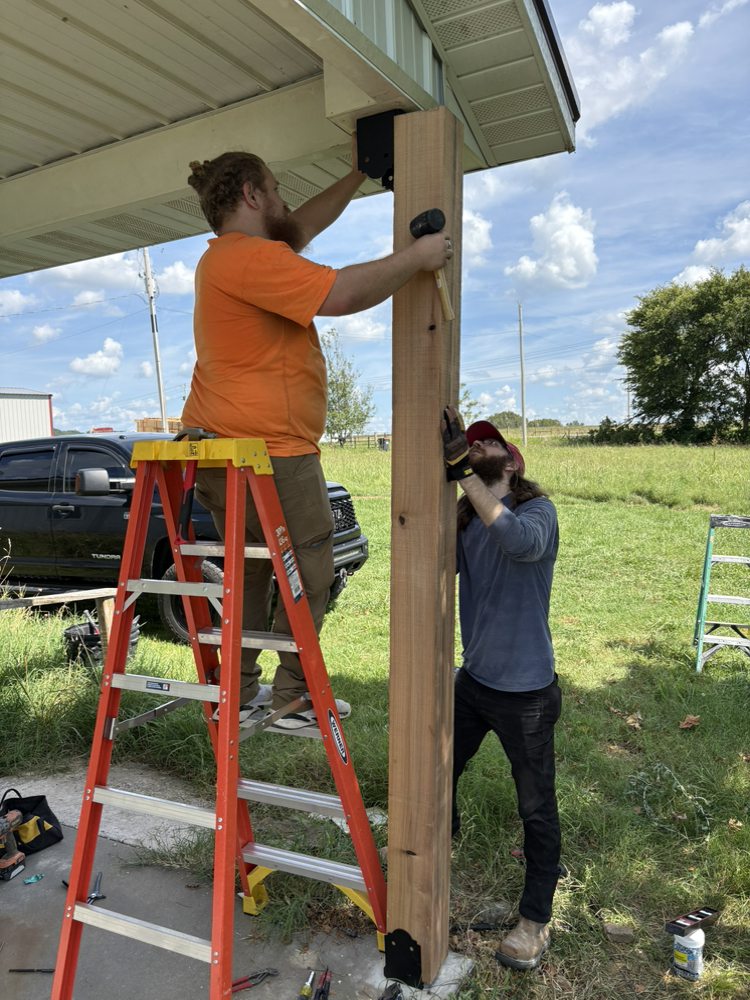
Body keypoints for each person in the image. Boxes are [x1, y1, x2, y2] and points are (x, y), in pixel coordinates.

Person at [181, 146, 452, 731]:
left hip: (221, 446)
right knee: (314, 564)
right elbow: (342, 295)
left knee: (254, 568)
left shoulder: (229, 259)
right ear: (252, 195)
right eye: (275, 189)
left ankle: (245, 688)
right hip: (267, 449)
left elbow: (302, 224)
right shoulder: (250, 260)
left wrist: (359, 173)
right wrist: (418, 257)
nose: (283, 201)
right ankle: (294, 697)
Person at [441, 405, 561, 970]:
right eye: (470, 444)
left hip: (528, 693)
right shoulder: (468, 522)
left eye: (487, 445)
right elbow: (429, 561)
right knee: (439, 769)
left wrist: (462, 473)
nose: (478, 447)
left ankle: (534, 920)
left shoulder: (538, 512)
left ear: (512, 463)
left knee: (535, 809)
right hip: (475, 683)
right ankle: (436, 846)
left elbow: (517, 542)